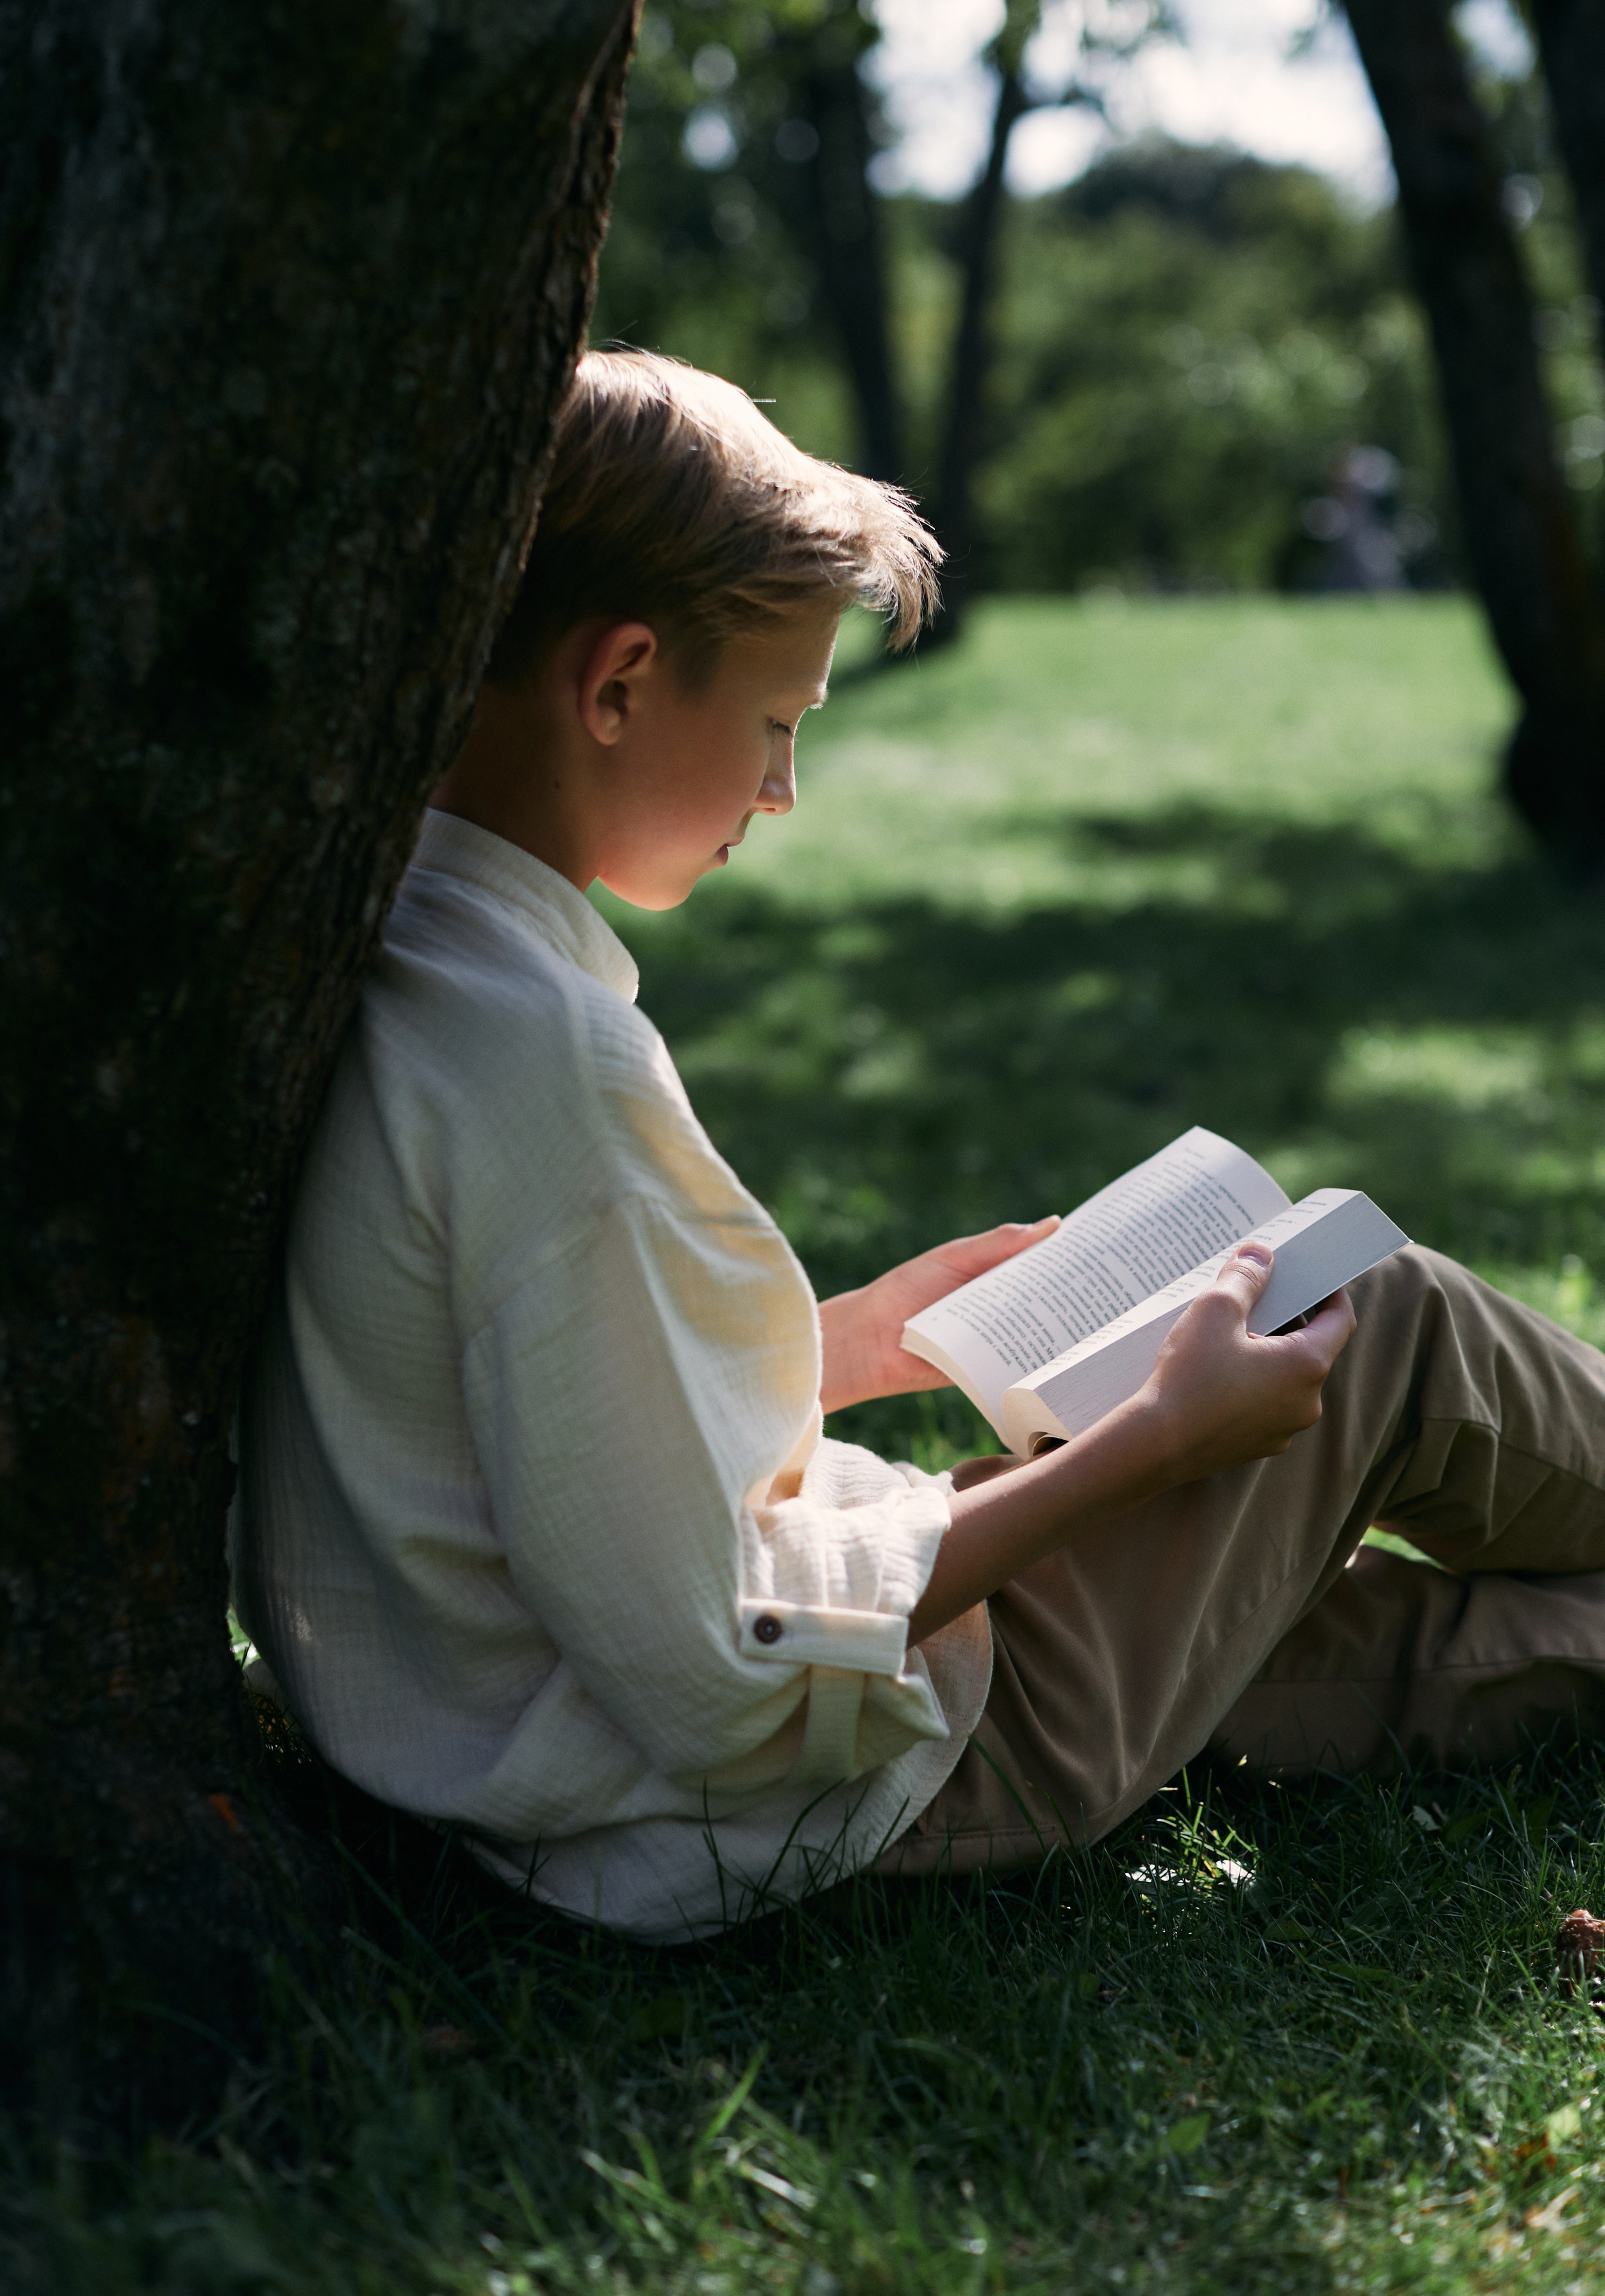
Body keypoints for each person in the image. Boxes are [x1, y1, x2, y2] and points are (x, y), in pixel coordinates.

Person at [233, 350, 1605, 1942]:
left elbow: (526, 1444)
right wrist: (1150, 1442)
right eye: (770, 720)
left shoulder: (391, 954)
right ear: (612, 685)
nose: (784, 785)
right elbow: (727, 1665)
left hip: (570, 1794)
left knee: (1322, 1623)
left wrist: (858, 1344)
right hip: (816, 1786)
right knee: (1384, 1321)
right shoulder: (551, 1070)